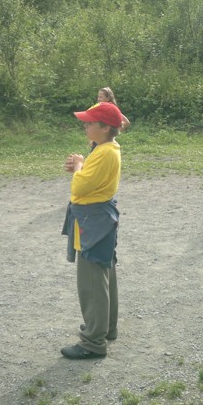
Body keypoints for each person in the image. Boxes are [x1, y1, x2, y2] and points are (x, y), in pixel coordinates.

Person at [60, 101, 123, 360]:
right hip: (96, 217)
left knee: (92, 280)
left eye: (90, 122)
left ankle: (94, 342)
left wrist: (78, 167)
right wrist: (83, 162)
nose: (85, 126)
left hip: (93, 219)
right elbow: (87, 179)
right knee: (103, 271)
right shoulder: (106, 148)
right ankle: (105, 327)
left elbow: (80, 187)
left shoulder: (106, 152)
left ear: (105, 127)